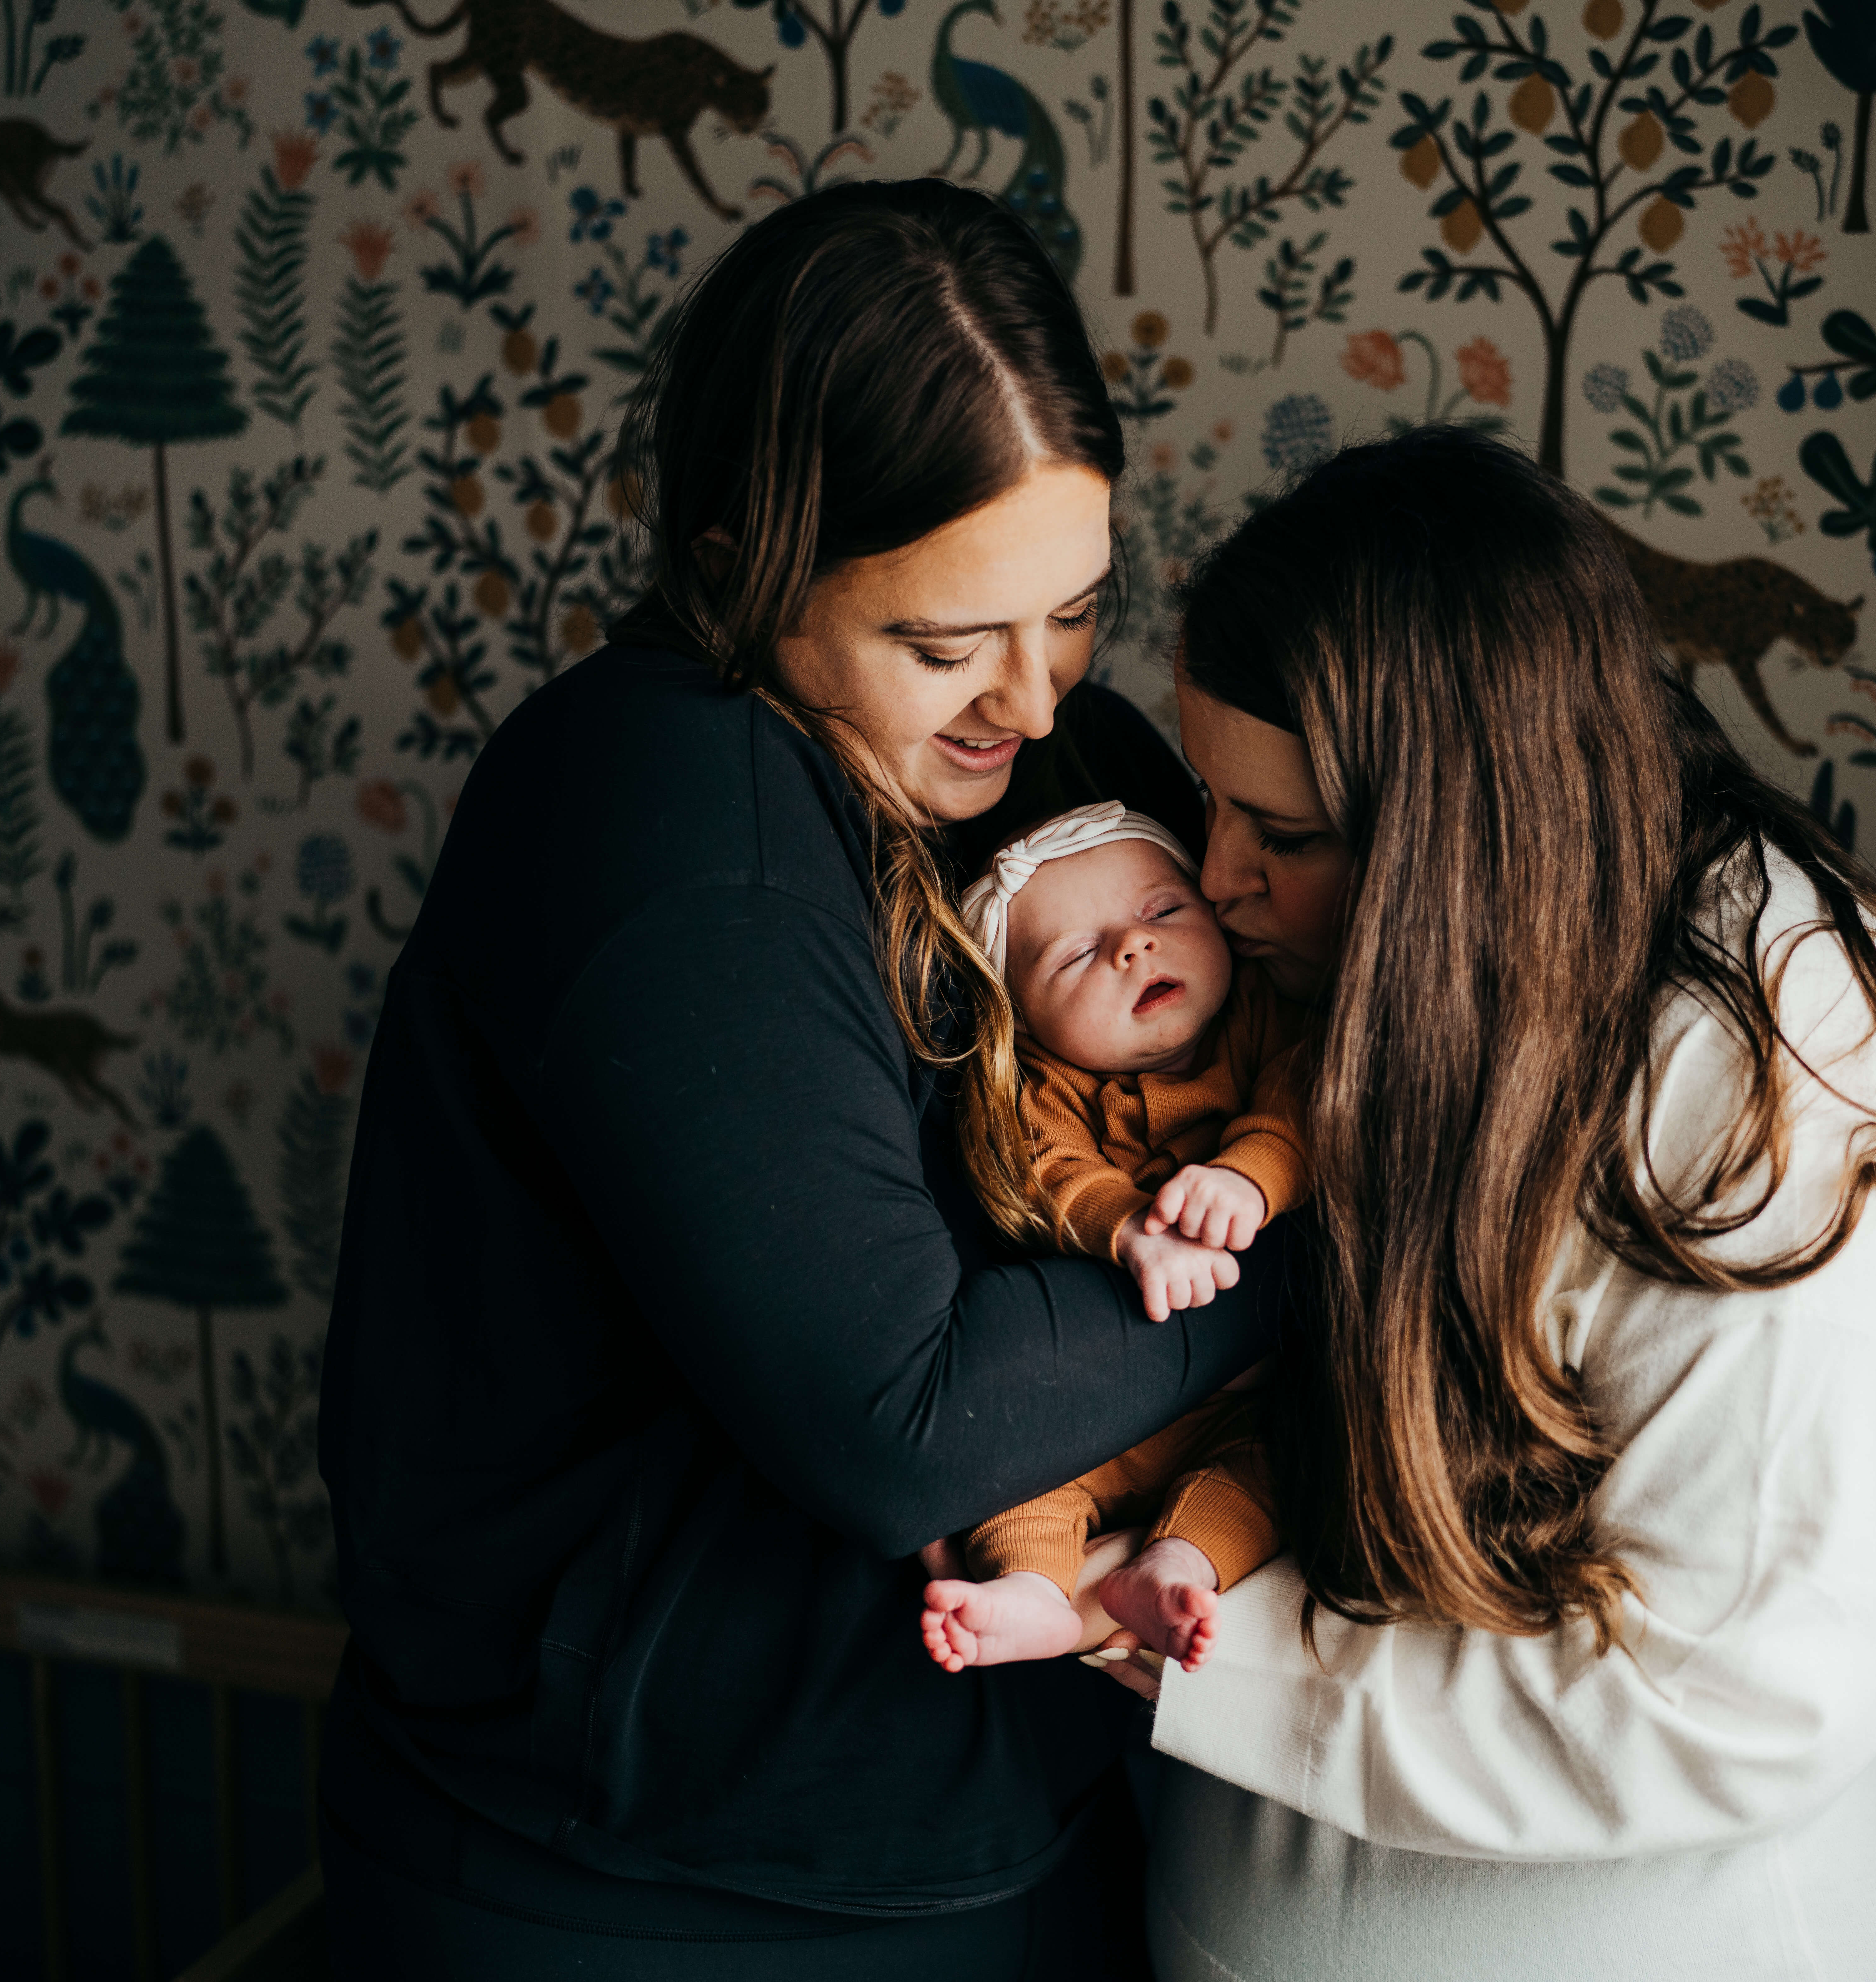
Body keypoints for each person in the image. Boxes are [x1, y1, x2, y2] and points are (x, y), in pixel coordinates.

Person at [314, 179, 1277, 1979]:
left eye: (1074, 610)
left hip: (996, 1806)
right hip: (660, 1887)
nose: (1027, 695)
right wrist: (1331, 1229)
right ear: (745, 552)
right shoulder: (672, 823)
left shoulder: (1059, 772)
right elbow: (896, 1419)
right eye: (945, 641)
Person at [1122, 427, 1876, 1981]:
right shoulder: (1447, 969)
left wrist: (1198, 1662)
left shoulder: (1779, 1078)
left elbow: (1738, 1697)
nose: (1216, 879)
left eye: (1285, 836)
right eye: (1213, 801)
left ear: (1462, 831)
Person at [919, 802, 1306, 1677]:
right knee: (1015, 1485)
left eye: (1162, 913)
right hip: (1093, 1414)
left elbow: (1305, 1099)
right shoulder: (1043, 1087)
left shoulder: (1262, 1018)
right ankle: (1034, 1596)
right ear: (1023, 1018)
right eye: (1074, 954)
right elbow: (1049, 1172)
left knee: (1273, 1473)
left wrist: (1249, 1176)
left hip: (1240, 1404)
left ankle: (1174, 1569)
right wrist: (1131, 1228)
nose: (1133, 948)